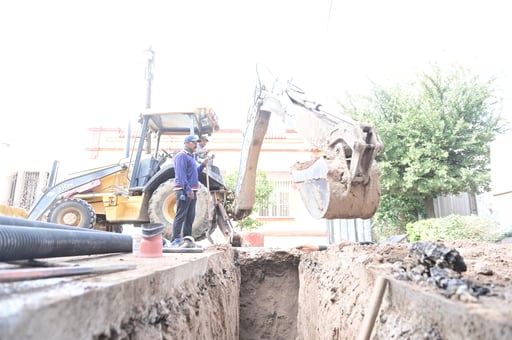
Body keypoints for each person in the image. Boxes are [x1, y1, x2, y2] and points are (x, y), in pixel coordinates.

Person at [170, 135, 208, 247]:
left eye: (196, 142)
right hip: (184, 190)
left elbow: (194, 173)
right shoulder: (181, 156)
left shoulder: (190, 157)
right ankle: (175, 239)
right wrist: (188, 190)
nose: (196, 144)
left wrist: (202, 165)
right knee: (181, 215)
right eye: (193, 142)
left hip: (192, 190)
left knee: (190, 216)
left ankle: (187, 239)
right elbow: (181, 175)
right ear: (187, 143)